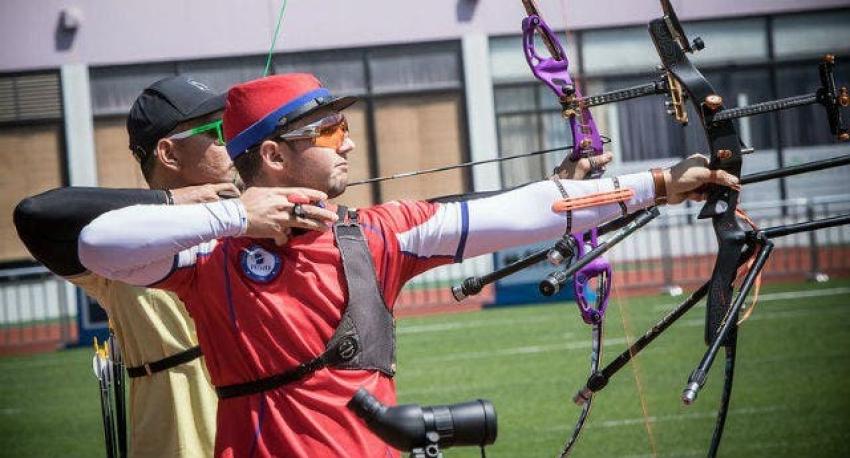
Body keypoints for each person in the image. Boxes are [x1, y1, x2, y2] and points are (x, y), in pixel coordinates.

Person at [77, 73, 738, 457]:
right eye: (331, 132)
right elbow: (97, 243)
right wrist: (235, 215)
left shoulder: (378, 234)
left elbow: (527, 210)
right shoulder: (208, 252)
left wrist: (656, 183)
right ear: (274, 157)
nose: (350, 142)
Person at [14, 76, 244, 458]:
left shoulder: (248, 216)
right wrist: (171, 201)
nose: (232, 143)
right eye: (219, 132)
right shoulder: (122, 241)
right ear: (169, 154)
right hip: (174, 443)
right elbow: (35, 213)